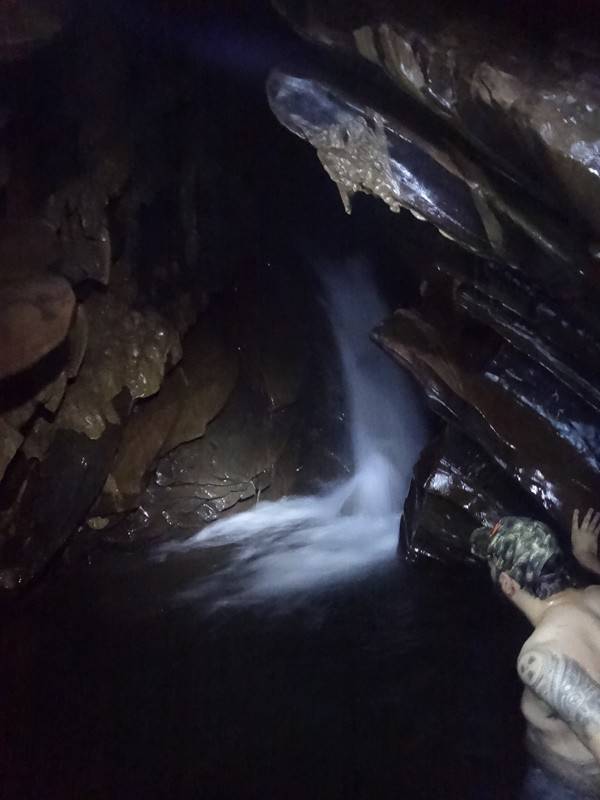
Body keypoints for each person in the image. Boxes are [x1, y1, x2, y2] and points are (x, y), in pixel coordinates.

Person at [470, 509, 600, 799]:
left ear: (507, 583)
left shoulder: (541, 659)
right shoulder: (595, 594)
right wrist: (588, 559)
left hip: (569, 789)